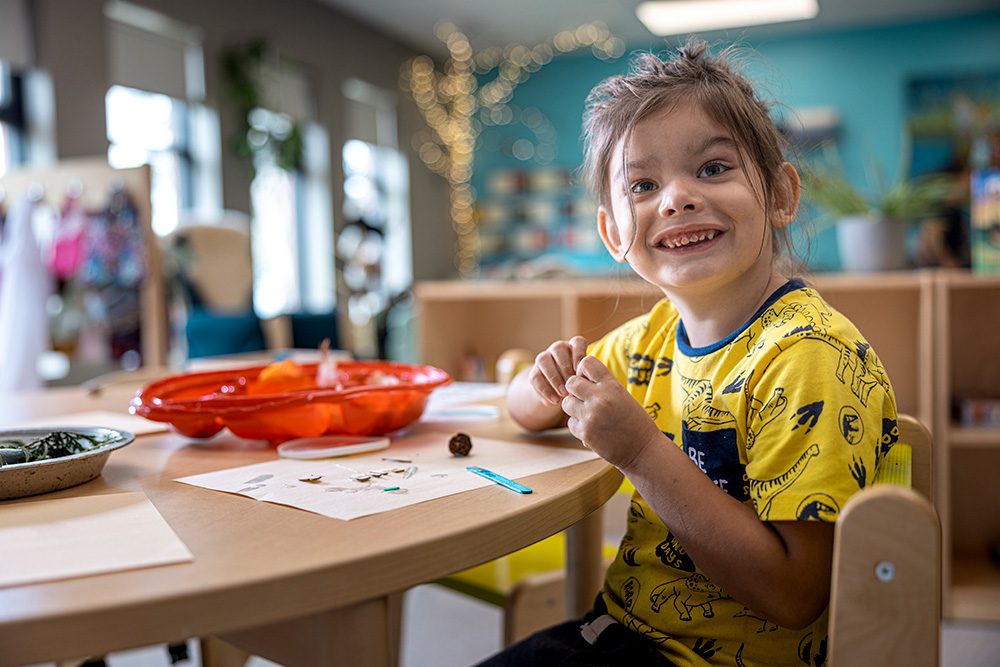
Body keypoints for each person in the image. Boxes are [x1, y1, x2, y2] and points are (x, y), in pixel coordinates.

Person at [479, 39, 898, 667]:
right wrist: (545, 384)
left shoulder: (808, 355)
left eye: (712, 169)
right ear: (614, 233)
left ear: (782, 195)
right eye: (643, 184)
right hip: (621, 633)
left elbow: (793, 595)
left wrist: (642, 451)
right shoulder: (649, 338)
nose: (676, 198)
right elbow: (523, 409)